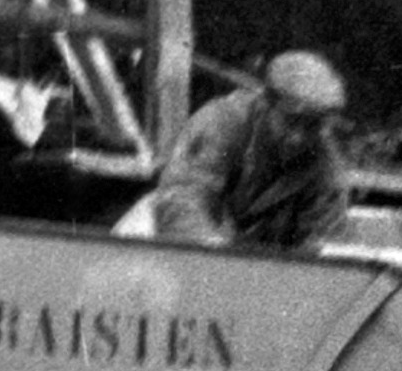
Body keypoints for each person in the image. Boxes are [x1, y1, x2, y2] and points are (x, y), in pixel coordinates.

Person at [147, 47, 354, 251]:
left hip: (253, 264)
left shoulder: (327, 168)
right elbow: (181, 201)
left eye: (312, 126)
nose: (297, 138)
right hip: (165, 243)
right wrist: (221, 264)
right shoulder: (222, 123)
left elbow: (325, 248)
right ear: (266, 104)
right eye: (291, 121)